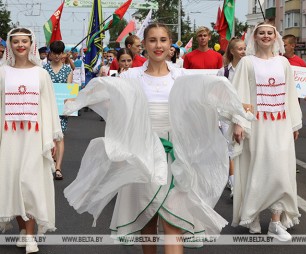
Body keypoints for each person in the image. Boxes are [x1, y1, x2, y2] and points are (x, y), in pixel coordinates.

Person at [63, 23, 252, 254]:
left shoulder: (181, 75)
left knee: (174, 222)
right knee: (147, 220)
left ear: (170, 45)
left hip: (177, 154)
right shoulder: (131, 75)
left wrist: (237, 107)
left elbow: (210, 96)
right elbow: (107, 93)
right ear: (144, 45)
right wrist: (76, 101)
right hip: (142, 153)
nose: (158, 45)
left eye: (163, 40)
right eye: (152, 40)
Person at [231, 22, 302, 242]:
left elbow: (290, 93)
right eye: (261, 32)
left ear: (276, 37)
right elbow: (239, 94)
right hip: (257, 126)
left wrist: (294, 123)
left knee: (281, 171)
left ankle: (275, 222)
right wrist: (239, 122)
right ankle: (251, 216)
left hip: (280, 124)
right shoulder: (246, 63)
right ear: (255, 37)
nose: (265, 35)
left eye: (269, 32)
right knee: (258, 170)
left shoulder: (283, 63)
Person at [0, 27, 62, 253]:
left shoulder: (41, 73)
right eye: (15, 41)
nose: (20, 45)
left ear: (31, 44)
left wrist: (52, 138)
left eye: (24, 41)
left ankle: (32, 235)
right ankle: (24, 232)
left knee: (30, 182)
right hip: (10, 135)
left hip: (35, 136)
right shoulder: (3, 72)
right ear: (10, 45)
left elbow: (49, 106)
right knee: (14, 182)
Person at [217, 38, 246, 199]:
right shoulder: (224, 72)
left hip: (245, 115)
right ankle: (235, 185)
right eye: (240, 49)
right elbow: (218, 95)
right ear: (232, 51)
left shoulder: (250, 70)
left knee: (244, 150)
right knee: (231, 150)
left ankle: (242, 183)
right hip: (228, 116)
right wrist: (219, 118)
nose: (243, 51)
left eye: (244, 48)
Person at [44, 40, 73, 180]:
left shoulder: (68, 69)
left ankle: (58, 167)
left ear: (63, 54)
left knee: (60, 136)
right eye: (54, 53)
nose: (56, 56)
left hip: (61, 108)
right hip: (46, 106)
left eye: (59, 53)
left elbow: (69, 89)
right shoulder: (44, 69)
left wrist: (69, 104)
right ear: (50, 54)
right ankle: (50, 162)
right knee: (48, 136)